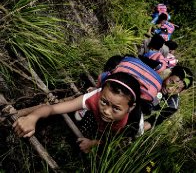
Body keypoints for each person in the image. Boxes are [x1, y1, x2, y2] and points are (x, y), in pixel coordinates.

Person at [13, 72, 141, 153]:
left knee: (107, 136)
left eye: (116, 108)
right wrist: (32, 117)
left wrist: (93, 143)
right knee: (96, 122)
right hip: (99, 115)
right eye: (104, 102)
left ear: (130, 108)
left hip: (119, 130)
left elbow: (114, 141)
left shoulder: (131, 124)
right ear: (100, 92)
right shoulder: (94, 97)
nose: (106, 111)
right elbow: (53, 108)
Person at [143, 66, 193, 131]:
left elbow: (152, 121)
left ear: (181, 91)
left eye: (177, 88)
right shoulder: (153, 78)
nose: (170, 88)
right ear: (169, 75)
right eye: (171, 82)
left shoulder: (172, 105)